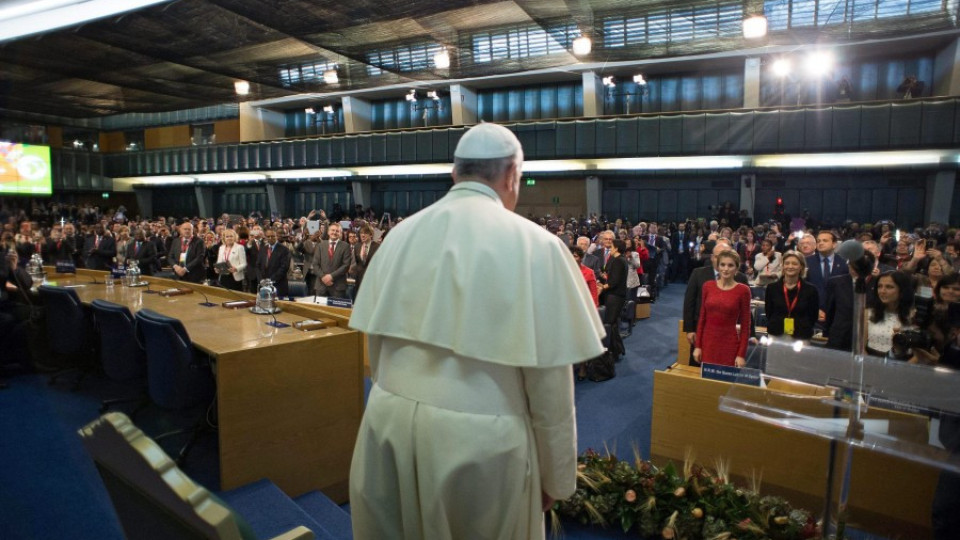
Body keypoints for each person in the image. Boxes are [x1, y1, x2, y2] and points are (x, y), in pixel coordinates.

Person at [347, 122, 604, 540]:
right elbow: (550, 384)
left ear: (455, 174)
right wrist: (556, 478)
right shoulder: (536, 246)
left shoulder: (399, 234)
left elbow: (377, 344)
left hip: (386, 422)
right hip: (479, 444)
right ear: (510, 177)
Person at [683, 241, 749, 365]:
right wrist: (689, 329)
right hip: (702, 335)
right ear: (714, 258)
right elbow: (689, 303)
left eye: (730, 265)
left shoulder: (742, 282)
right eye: (722, 263)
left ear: (736, 266)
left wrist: (742, 352)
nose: (725, 268)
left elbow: (746, 319)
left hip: (730, 339)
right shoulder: (700, 276)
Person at [764, 251, 819, 340]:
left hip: (801, 335)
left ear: (801, 267)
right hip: (776, 334)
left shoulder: (811, 290)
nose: (790, 266)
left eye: (794, 264)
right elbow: (769, 313)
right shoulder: (772, 288)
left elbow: (813, 316)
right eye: (787, 263)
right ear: (783, 266)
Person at [866, 270, 915, 357]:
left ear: (902, 290)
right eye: (879, 286)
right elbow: (860, 346)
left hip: (903, 365)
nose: (882, 291)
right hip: (871, 361)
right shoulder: (869, 312)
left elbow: (919, 356)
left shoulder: (914, 315)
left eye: (889, 287)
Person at [308, 222, 352, 299]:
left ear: (340, 233)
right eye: (332, 230)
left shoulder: (346, 246)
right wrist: (323, 277)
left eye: (337, 231)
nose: (334, 232)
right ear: (328, 232)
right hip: (321, 286)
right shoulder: (320, 245)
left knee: (336, 310)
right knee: (319, 310)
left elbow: (346, 266)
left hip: (338, 287)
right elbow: (315, 264)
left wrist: (331, 276)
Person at [256, 228, 292, 297]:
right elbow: (258, 265)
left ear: (277, 236)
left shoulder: (284, 250)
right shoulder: (263, 248)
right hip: (263, 285)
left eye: (273, 236)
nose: (270, 238)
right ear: (265, 237)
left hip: (278, 285)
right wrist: (261, 280)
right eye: (268, 236)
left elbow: (284, 268)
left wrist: (270, 281)